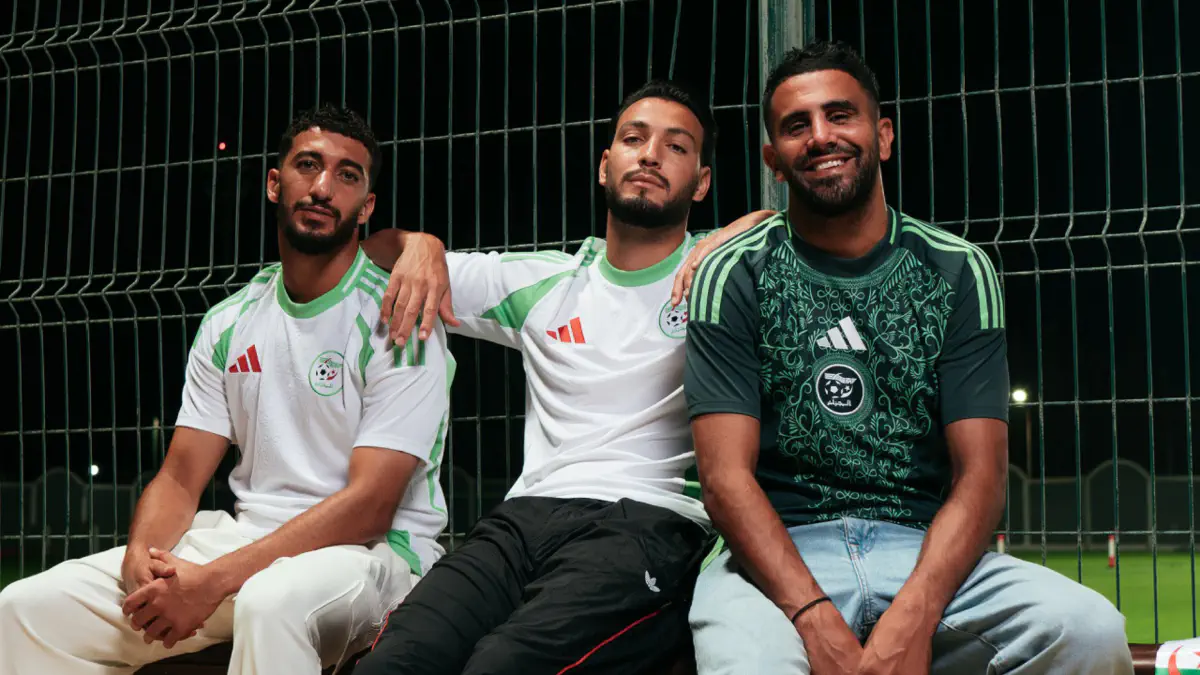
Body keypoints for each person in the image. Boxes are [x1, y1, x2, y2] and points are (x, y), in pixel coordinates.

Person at [683, 42, 1134, 674]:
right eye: (796, 126)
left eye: (840, 115)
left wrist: (916, 615)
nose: (820, 136)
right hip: (775, 556)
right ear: (773, 161)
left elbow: (981, 475)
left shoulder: (957, 268)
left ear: (883, 135)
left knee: (1090, 631)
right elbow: (726, 480)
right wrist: (813, 618)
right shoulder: (733, 270)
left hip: (922, 549)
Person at [0, 105, 453, 675]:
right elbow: (181, 476)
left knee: (268, 604)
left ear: (366, 208)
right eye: (307, 165)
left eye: (346, 175)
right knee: (24, 608)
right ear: (274, 183)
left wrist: (212, 582)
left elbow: (370, 507)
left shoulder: (397, 316)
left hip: (376, 560)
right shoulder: (229, 322)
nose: (320, 187)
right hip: (248, 543)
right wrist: (141, 558)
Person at [353, 81, 770, 675]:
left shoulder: (719, 272)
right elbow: (376, 250)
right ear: (606, 166)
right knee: (397, 662)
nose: (650, 155)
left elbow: (810, 229)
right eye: (634, 139)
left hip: (648, 521)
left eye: (676, 148)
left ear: (701, 183)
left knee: (501, 666)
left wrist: (746, 228)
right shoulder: (547, 281)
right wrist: (423, 244)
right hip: (523, 518)